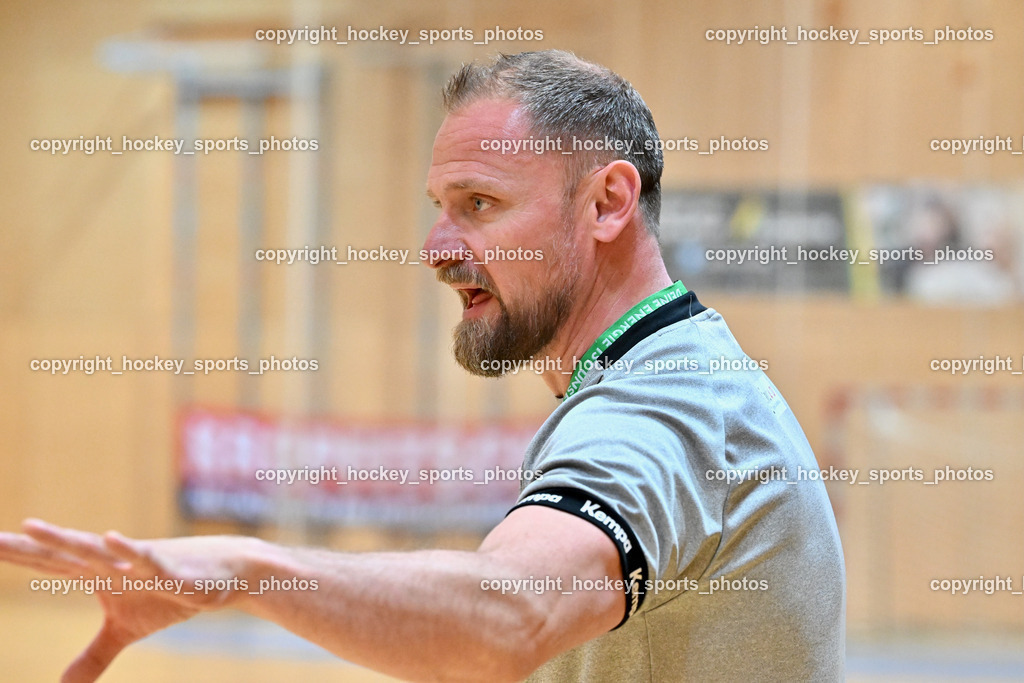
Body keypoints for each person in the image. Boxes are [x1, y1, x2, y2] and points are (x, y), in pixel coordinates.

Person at [0, 50, 844, 682]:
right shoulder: (675, 372)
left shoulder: (663, 405)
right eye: (440, 210)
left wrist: (244, 570)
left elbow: (506, 616)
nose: (439, 249)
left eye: (479, 204)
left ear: (607, 203)